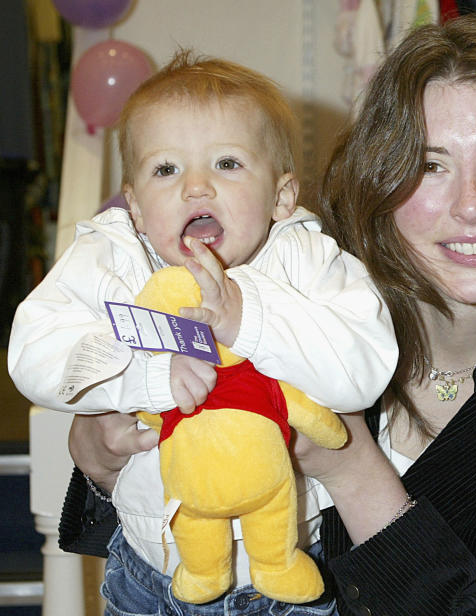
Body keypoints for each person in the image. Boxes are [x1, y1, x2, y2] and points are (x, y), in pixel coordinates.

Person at [59, 15, 476, 615]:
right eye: (430, 164)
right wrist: (101, 454)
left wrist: (356, 474)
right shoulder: (313, 289)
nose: (472, 205)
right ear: (381, 179)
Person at [9, 51, 398, 614]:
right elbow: (33, 349)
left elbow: (364, 365)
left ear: (282, 196)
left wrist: (246, 317)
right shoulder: (111, 259)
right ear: (136, 206)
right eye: (166, 170)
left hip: (288, 571)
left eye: (227, 164)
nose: (195, 187)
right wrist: (146, 373)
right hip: (151, 573)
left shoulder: (306, 259)